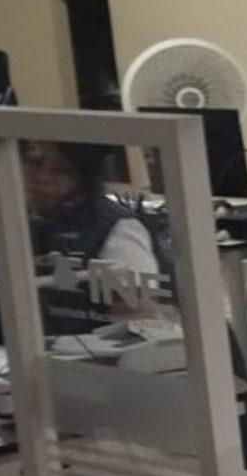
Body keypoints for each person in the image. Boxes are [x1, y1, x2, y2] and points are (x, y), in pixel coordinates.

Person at [22, 140, 161, 332]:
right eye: (35, 163)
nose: (43, 178)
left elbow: (137, 321)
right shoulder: (9, 219)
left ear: (84, 177)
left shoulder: (118, 229)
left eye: (61, 170)